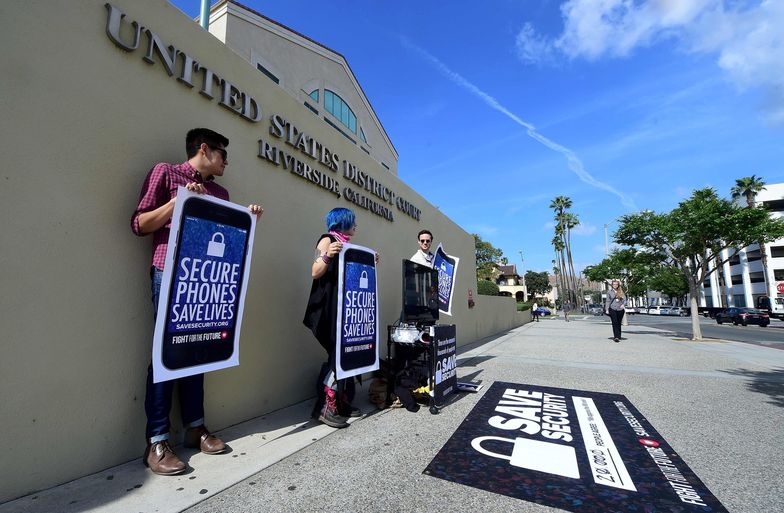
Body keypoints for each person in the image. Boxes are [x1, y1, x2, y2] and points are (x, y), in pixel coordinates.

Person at [131, 128, 263, 475]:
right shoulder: (166, 173)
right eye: (223, 154)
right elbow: (140, 223)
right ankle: (157, 440)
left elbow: (225, 238)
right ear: (204, 149)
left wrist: (248, 221)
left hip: (206, 278)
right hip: (170, 272)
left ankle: (195, 427)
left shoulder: (220, 192)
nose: (226, 162)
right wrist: (177, 202)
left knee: (198, 349)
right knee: (166, 355)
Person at [303, 208, 379, 428]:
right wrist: (328, 254)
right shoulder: (327, 240)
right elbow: (315, 271)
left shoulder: (348, 245)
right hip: (328, 309)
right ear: (342, 222)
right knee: (337, 356)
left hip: (346, 310)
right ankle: (324, 408)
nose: (356, 226)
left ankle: (340, 402)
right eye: (353, 222)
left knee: (346, 354)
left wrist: (370, 261)